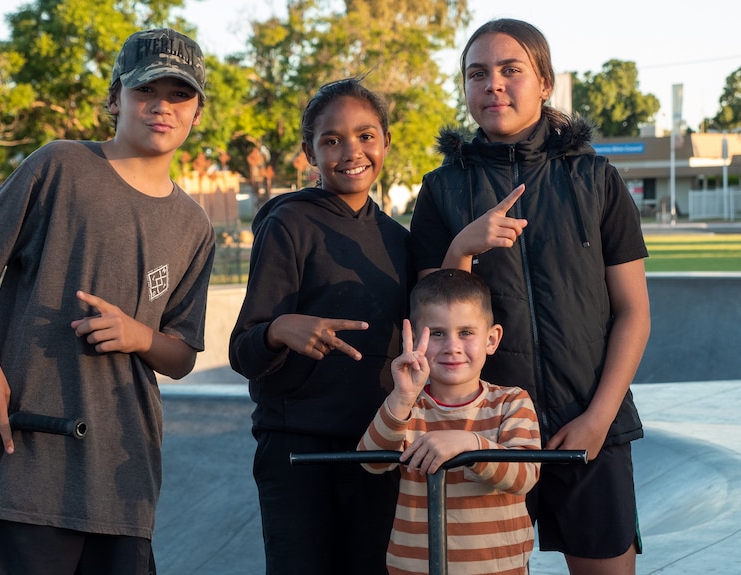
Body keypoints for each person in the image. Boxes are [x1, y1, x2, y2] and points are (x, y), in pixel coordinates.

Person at [0, 28, 215, 575]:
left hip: (125, 473)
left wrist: (141, 336)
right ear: (116, 99)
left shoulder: (195, 226)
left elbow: (182, 355)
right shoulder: (60, 166)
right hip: (30, 460)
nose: (161, 107)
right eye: (145, 92)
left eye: (178, 95)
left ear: (197, 113)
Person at [410, 18, 651, 575]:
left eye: (510, 70)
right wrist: (462, 248)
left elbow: (634, 312)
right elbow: (431, 313)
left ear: (544, 82)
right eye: (477, 74)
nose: (493, 84)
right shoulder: (442, 189)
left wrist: (599, 417)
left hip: (588, 424)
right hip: (482, 432)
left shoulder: (597, 178)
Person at [228, 77, 415, 575]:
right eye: (331, 140)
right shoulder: (288, 224)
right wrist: (279, 329)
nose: (351, 151)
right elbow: (241, 349)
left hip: (378, 449)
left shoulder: (401, 241)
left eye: (366, 135)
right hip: (297, 452)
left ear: (386, 142)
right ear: (309, 152)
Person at [359, 269, 541, 575]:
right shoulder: (407, 408)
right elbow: (370, 462)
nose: (452, 347)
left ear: (492, 339)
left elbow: (524, 476)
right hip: (416, 568)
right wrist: (402, 397)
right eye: (437, 333)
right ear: (416, 340)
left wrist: (470, 445)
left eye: (466, 332)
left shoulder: (511, 402)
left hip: (498, 569)